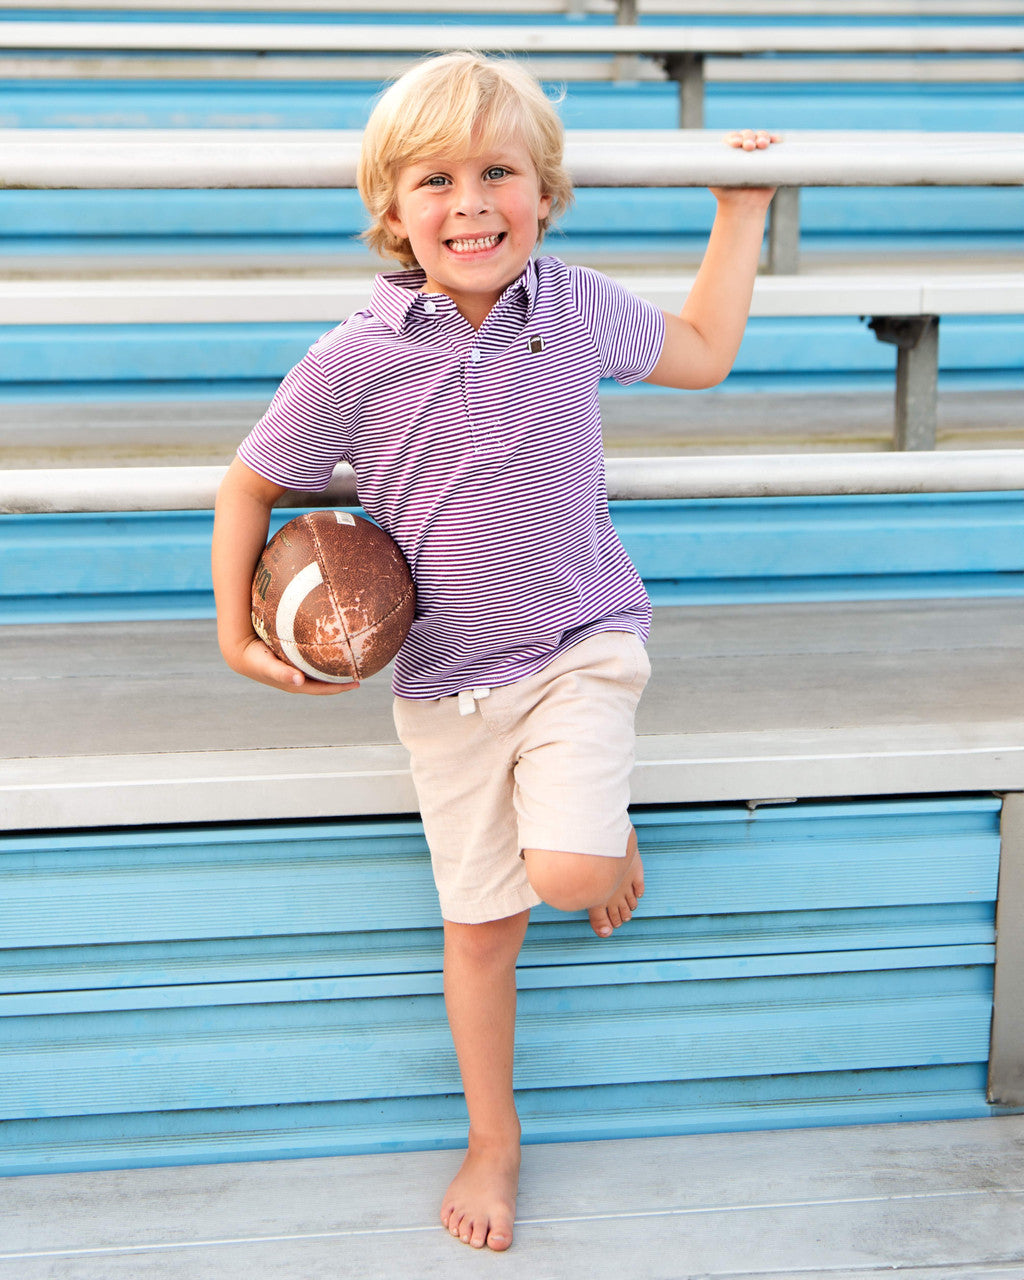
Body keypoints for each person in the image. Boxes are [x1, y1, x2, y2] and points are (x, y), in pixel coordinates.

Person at [212, 50, 777, 1255]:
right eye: (435, 181)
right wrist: (233, 629)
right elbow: (251, 481)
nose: (469, 203)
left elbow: (700, 349)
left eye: (497, 173)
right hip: (450, 688)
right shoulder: (356, 357)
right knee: (481, 932)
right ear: (391, 209)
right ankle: (493, 1134)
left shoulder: (568, 306)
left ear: (544, 190)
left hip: (580, 643)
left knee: (568, 875)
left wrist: (737, 215)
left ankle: (597, 825)